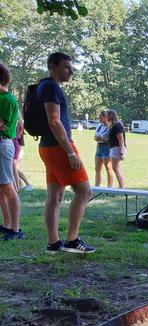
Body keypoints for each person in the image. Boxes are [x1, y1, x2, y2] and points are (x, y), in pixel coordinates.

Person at [37, 52, 94, 253]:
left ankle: (53, 243)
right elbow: (54, 120)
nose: (71, 71)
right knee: (84, 191)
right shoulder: (51, 87)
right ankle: (72, 240)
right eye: (66, 67)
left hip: (47, 146)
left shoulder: (43, 85)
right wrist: (70, 152)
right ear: (53, 66)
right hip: (58, 148)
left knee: (55, 196)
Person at [0, 62, 23, 240]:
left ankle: (15, 229)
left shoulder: (7, 99)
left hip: (3, 144)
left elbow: (2, 125)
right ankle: (7, 226)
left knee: (8, 186)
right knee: (1, 188)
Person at [106, 109, 126, 188]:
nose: (106, 116)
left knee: (116, 168)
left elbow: (121, 140)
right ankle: (121, 186)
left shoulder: (117, 125)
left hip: (117, 148)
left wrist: (121, 152)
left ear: (111, 115)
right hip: (114, 148)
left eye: (107, 115)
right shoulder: (113, 124)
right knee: (116, 168)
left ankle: (122, 187)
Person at [13, 116, 33, 192]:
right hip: (17, 146)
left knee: (14, 168)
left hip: (15, 146)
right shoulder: (19, 122)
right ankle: (20, 185)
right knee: (14, 169)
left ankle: (28, 184)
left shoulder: (16, 123)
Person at [93, 110, 112, 187]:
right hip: (98, 147)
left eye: (101, 117)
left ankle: (109, 187)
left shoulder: (110, 126)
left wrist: (101, 138)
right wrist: (97, 138)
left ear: (106, 117)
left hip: (106, 148)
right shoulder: (99, 126)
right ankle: (97, 187)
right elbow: (95, 136)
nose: (99, 118)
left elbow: (110, 140)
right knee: (97, 169)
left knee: (108, 168)